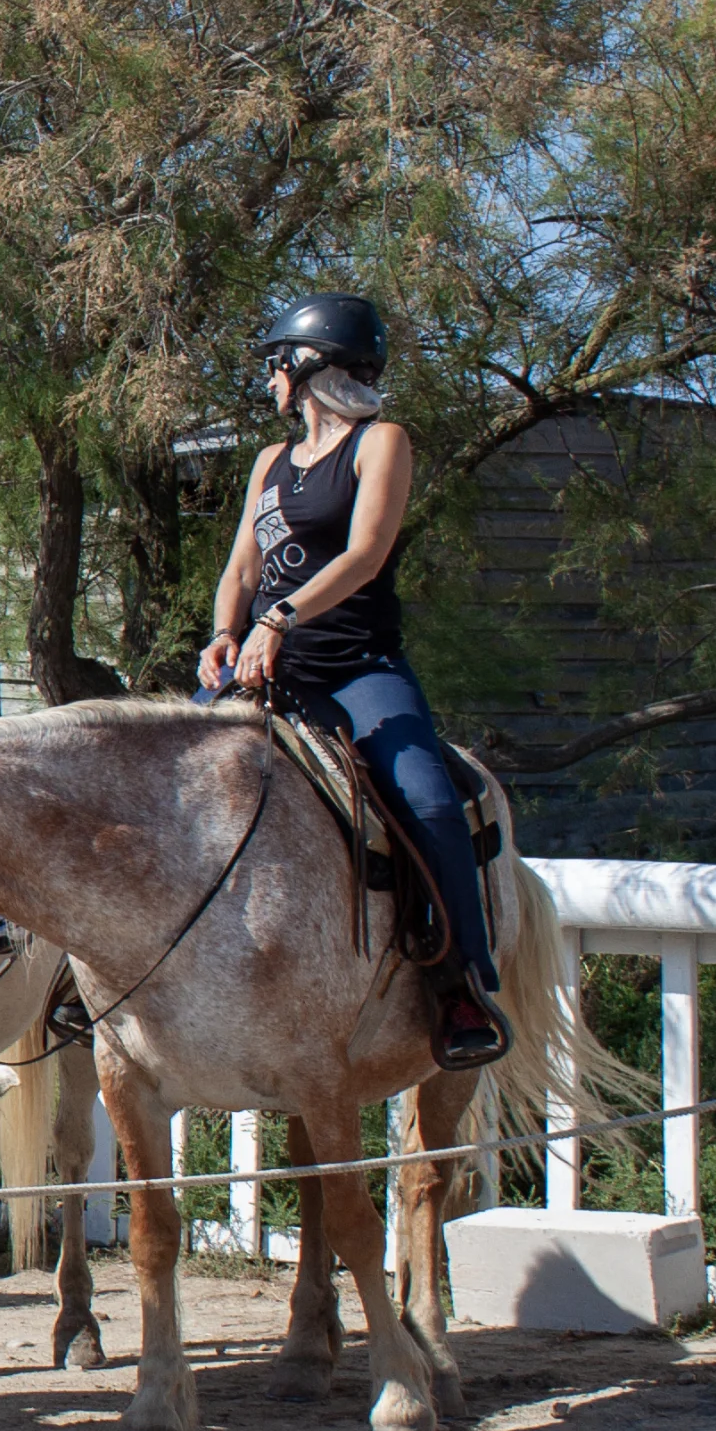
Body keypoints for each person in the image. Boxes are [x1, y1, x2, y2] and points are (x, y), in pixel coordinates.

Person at [199, 292, 505, 1069]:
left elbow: (366, 554)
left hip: (356, 667)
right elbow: (242, 565)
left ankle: (462, 984)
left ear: (308, 368)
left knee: (432, 800)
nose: (269, 381)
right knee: (158, 776)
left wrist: (280, 620)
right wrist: (226, 631)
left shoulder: (381, 443)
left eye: (277, 364)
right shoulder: (269, 462)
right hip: (264, 668)